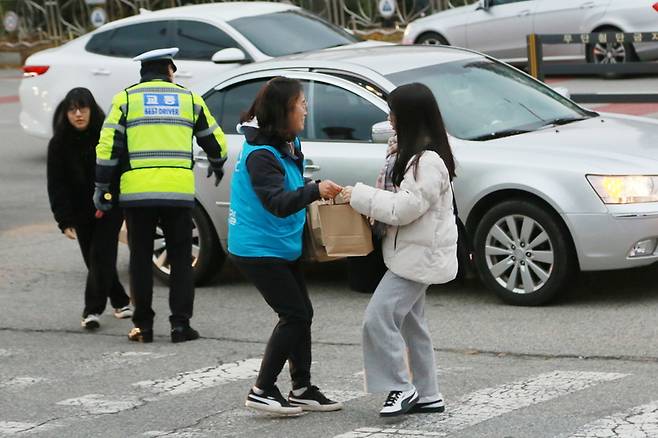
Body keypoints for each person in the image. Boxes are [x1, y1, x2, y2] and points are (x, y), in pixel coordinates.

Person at [94, 48, 228, 343]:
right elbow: (214, 139)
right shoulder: (188, 99)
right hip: (177, 193)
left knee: (140, 259)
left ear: (142, 72)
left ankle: (143, 326)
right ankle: (181, 326)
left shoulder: (126, 99)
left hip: (137, 195)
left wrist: (102, 187)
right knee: (180, 259)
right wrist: (216, 163)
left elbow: (107, 147)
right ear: (170, 69)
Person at [341, 82, 458, 417]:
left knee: (377, 319)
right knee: (411, 325)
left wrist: (357, 195)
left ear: (408, 116)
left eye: (393, 111)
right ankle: (429, 394)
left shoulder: (427, 161)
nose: (389, 118)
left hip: (418, 257)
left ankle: (401, 387)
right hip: (413, 252)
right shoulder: (410, 153)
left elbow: (403, 209)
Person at [228, 77, 343, 416]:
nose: (305, 109)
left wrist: (316, 187)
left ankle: (302, 388)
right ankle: (262, 389)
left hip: (281, 244)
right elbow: (276, 202)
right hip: (257, 248)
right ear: (283, 111)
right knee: (295, 314)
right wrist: (314, 190)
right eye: (300, 104)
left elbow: (289, 184)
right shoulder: (261, 154)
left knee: (301, 314)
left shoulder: (284, 143)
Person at [47, 87, 132, 330]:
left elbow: (120, 171)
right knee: (93, 260)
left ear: (91, 110)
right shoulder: (58, 144)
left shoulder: (107, 136)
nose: (78, 115)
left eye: (82, 108)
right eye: (72, 110)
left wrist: (120, 201)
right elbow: (56, 185)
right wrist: (63, 220)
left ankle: (92, 310)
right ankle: (120, 300)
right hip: (79, 211)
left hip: (109, 206)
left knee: (101, 254)